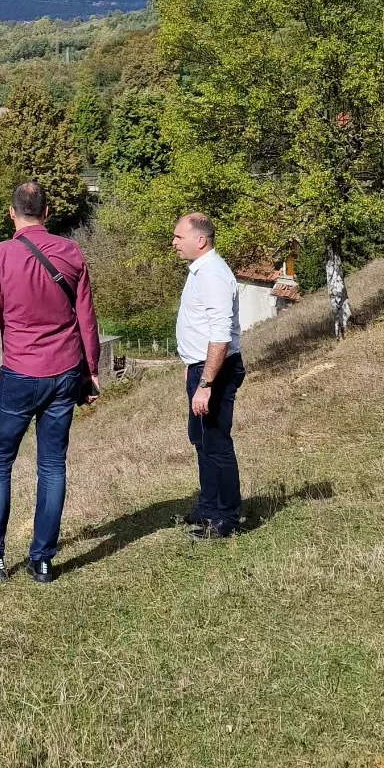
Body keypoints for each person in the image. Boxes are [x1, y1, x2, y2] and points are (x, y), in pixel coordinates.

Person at [0, 181, 101, 584]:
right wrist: (91, 369)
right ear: (47, 212)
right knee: (51, 465)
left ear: (13, 213)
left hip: (20, 373)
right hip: (64, 373)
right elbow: (87, 317)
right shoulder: (72, 253)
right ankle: (42, 560)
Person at [171, 212, 245, 538]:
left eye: (178, 237)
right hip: (201, 367)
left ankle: (227, 519)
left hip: (214, 371)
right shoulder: (200, 271)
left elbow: (220, 335)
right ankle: (208, 506)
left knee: (217, 443)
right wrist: (192, 365)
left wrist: (206, 383)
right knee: (201, 440)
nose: (173, 243)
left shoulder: (213, 274)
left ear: (200, 240)